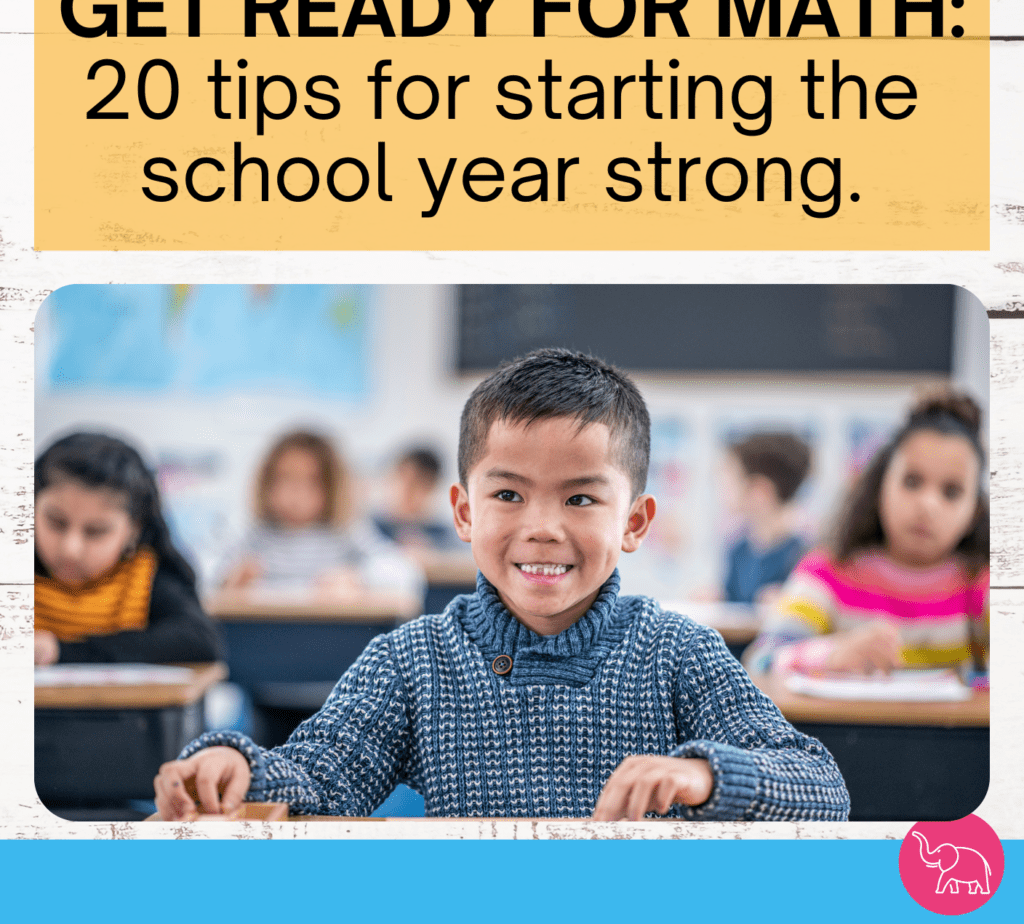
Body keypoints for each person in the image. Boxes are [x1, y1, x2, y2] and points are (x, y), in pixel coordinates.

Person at [154, 350, 848, 822]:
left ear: (634, 522)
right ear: (463, 512)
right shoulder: (414, 660)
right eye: (510, 494)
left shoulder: (676, 652)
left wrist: (707, 775)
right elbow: (320, 777)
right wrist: (234, 765)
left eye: (580, 500)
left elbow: (822, 789)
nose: (542, 527)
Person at [744, 391, 989, 677]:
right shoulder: (827, 574)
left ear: (974, 511)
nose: (928, 505)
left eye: (952, 492)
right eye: (912, 481)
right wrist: (831, 655)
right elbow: (759, 661)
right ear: (879, 486)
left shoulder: (983, 587)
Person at [34, 432, 221, 665]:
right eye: (56, 523)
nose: (71, 549)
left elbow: (198, 641)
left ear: (133, 530)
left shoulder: (148, 573)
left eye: (96, 531)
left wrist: (61, 651)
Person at [220, 430, 423, 598]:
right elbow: (202, 571)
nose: (296, 493)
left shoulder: (345, 532)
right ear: (266, 482)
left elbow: (404, 574)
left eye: (312, 481)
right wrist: (227, 579)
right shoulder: (249, 530)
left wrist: (358, 579)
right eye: (285, 478)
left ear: (332, 488)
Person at [720, 432, 811, 605]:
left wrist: (790, 603)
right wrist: (718, 597)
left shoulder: (805, 554)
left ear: (761, 491)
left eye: (730, 479)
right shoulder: (737, 550)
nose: (722, 489)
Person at [373, 446, 462, 553]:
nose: (406, 491)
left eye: (418, 485)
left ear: (432, 489)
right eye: (403, 479)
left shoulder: (443, 534)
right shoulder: (369, 527)